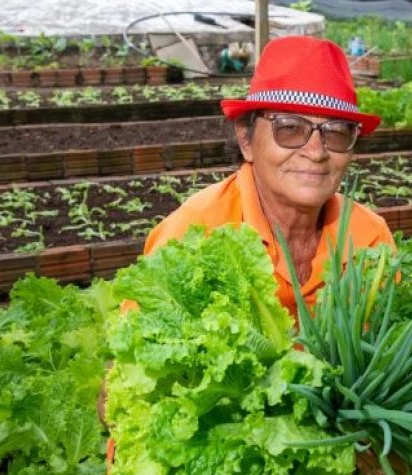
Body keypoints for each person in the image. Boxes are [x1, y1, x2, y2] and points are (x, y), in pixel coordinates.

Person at [142, 35, 395, 318]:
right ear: (246, 139)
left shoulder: (370, 237)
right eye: (289, 128)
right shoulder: (193, 232)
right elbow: (139, 351)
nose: (316, 152)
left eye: (336, 132)